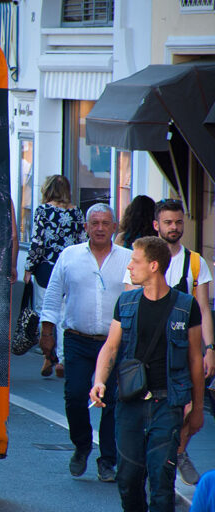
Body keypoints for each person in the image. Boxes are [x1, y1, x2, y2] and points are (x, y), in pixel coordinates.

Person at [90, 236, 205, 512]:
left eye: (135, 261)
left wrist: (198, 408)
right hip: (130, 403)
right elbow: (111, 346)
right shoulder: (126, 302)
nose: (129, 266)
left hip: (167, 404)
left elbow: (194, 360)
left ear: (154, 265)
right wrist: (99, 381)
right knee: (128, 481)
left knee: (161, 482)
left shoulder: (186, 306)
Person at [122, 198, 215, 485]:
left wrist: (209, 349)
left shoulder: (196, 262)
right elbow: (130, 304)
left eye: (178, 222)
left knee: (187, 407)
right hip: (150, 353)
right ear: (156, 225)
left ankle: (178, 450)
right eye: (168, 222)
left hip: (182, 346)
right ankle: (161, 455)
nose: (174, 227)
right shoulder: (139, 259)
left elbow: (202, 311)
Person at [40, 203, 131, 482]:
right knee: (75, 395)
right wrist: (47, 332)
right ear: (86, 227)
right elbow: (53, 296)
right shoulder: (70, 256)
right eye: (95, 223)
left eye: (105, 223)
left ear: (114, 227)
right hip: (77, 339)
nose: (100, 228)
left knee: (112, 401)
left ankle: (107, 460)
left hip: (114, 342)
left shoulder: (128, 259)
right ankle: (81, 445)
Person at [23, 175, 87, 378]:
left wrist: (29, 267)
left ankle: (47, 355)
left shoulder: (43, 211)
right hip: (70, 267)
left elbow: (37, 242)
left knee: (46, 312)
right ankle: (62, 359)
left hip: (46, 268)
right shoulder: (76, 211)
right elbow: (82, 240)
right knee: (65, 313)